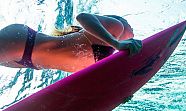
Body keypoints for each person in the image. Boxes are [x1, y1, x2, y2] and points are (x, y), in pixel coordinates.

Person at [0, 13, 142, 72]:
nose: (133, 29)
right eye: (131, 24)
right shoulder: (118, 27)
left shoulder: (108, 54)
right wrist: (116, 43)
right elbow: (82, 17)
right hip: (25, 42)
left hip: (26, 60)